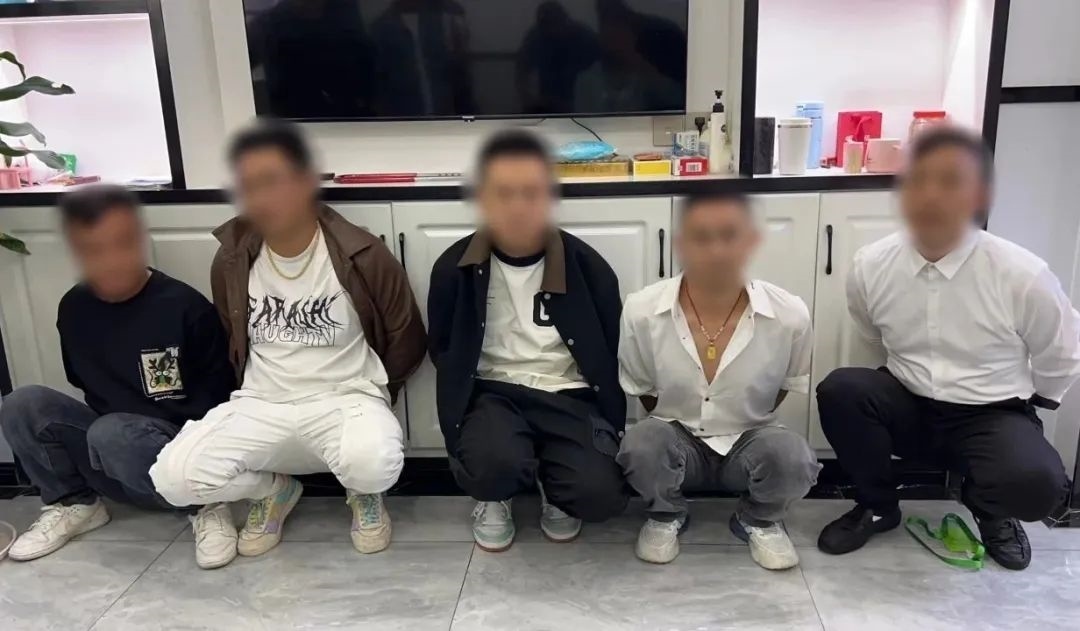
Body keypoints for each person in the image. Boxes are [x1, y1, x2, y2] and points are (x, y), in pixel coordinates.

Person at [150, 121, 426, 567]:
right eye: (249, 186)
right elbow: (232, 335)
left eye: (273, 181)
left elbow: (405, 336)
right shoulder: (232, 259)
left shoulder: (363, 254)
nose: (261, 198)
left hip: (344, 398)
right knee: (173, 478)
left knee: (376, 463)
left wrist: (373, 391)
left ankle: (362, 491)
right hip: (262, 403)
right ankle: (273, 490)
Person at [816, 127, 1079, 571]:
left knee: (1037, 485)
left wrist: (1033, 405)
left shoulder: (1021, 274)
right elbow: (871, 335)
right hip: (909, 401)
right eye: (919, 181)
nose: (932, 196)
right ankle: (878, 506)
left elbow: (1063, 353)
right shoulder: (871, 265)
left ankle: (991, 511)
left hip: (990, 413)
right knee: (842, 390)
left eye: (950, 182)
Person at [0, 186, 234, 563]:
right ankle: (75, 504)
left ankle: (205, 506)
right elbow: (82, 383)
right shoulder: (74, 309)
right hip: (107, 453)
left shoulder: (185, 308)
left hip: (183, 458)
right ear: (77, 252)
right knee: (22, 403)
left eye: (121, 244)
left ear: (140, 241)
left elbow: (222, 406)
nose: (111, 261)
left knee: (112, 432)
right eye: (94, 250)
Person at [427, 129, 629, 551]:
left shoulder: (588, 267)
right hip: (492, 394)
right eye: (504, 194)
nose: (518, 206)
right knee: (491, 464)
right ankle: (494, 496)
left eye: (531, 193)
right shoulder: (453, 268)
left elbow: (610, 348)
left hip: (568, 396)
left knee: (599, 495)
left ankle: (556, 489)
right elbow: (443, 346)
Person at [616, 192, 819, 569]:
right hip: (676, 435)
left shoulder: (789, 314)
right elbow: (644, 390)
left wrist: (739, 415)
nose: (716, 251)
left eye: (729, 235)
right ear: (681, 244)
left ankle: (758, 519)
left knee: (793, 455)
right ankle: (666, 514)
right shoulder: (642, 310)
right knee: (641, 442)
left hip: (749, 439)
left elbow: (783, 387)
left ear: (751, 241)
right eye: (701, 237)